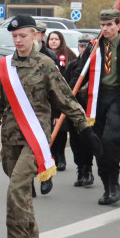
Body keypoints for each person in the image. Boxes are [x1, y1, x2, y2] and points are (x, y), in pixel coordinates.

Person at [0, 15, 101, 238]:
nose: (19, 40)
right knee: (22, 193)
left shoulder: (46, 65)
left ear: (35, 36)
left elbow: (66, 99)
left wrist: (84, 128)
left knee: (15, 189)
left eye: (23, 35)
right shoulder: (3, 67)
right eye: (14, 36)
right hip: (10, 139)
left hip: (35, 139)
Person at [78, 9, 120, 205]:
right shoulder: (93, 48)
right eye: (102, 25)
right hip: (97, 100)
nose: (105, 29)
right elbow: (79, 74)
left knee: (111, 140)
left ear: (118, 25)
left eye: (109, 25)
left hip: (119, 98)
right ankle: (107, 185)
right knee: (98, 143)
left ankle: (115, 183)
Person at [44, 30, 76, 179]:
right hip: (47, 98)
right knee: (49, 128)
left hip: (62, 96)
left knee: (61, 128)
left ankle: (61, 156)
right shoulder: (44, 55)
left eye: (56, 39)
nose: (54, 41)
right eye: (51, 39)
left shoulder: (68, 55)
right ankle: (52, 157)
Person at [65, 42, 96, 188]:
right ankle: (80, 168)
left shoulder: (96, 67)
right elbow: (65, 88)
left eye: (86, 47)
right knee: (75, 142)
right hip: (74, 109)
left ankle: (88, 169)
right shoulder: (73, 66)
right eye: (81, 46)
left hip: (89, 110)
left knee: (86, 140)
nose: (83, 50)